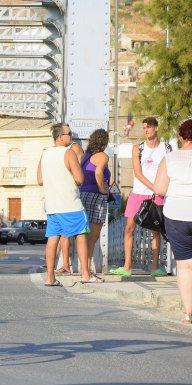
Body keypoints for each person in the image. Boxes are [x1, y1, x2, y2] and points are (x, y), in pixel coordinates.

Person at [112, 117, 171, 277]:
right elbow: (137, 173)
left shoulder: (166, 148)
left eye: (149, 127)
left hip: (157, 196)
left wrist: (162, 189)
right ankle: (127, 266)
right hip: (138, 194)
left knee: (155, 231)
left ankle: (154, 267)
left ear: (156, 128)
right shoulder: (138, 148)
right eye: (144, 127)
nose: (146, 130)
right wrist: (155, 187)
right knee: (129, 229)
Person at [37, 123, 92, 286]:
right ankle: (85, 274)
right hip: (71, 204)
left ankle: (50, 278)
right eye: (69, 134)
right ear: (60, 137)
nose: (72, 138)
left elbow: (39, 180)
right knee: (81, 235)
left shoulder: (45, 153)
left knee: (52, 239)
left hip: (52, 206)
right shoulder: (68, 153)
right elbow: (80, 178)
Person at [154, 118, 192, 324]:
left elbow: (159, 189)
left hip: (176, 215)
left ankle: (188, 312)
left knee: (185, 265)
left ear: (181, 136)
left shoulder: (169, 158)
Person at [78, 129, 110, 281]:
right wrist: (104, 191)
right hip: (96, 196)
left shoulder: (85, 157)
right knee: (93, 236)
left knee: (84, 235)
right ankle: (87, 271)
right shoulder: (103, 156)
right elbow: (98, 173)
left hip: (82, 195)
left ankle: (85, 270)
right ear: (104, 142)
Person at [57, 124, 84, 275]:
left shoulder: (74, 148)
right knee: (64, 233)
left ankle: (77, 267)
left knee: (73, 233)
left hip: (72, 194)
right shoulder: (63, 150)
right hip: (64, 194)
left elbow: (78, 172)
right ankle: (66, 264)